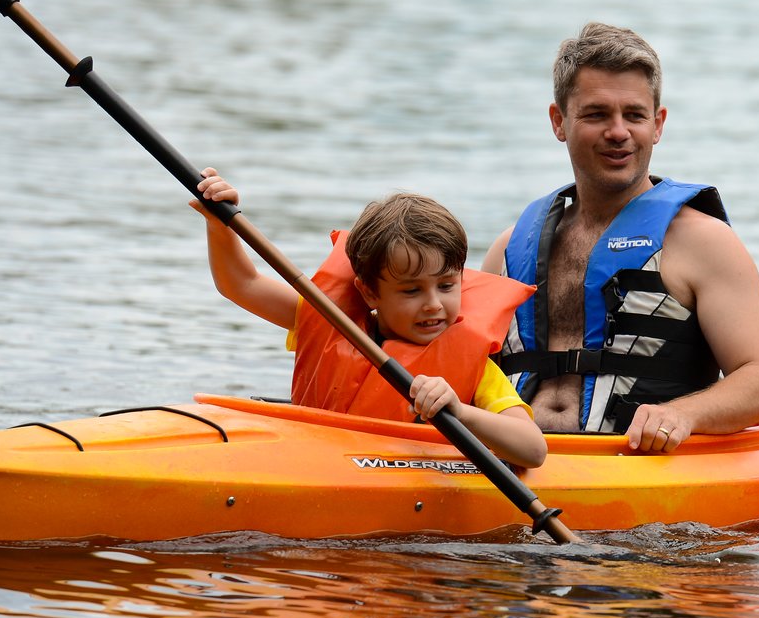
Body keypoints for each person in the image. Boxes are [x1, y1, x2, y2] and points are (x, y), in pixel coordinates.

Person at [481, 22, 759, 452]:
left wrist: (682, 414)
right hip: (515, 461)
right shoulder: (509, 251)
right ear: (558, 121)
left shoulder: (705, 244)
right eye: (597, 114)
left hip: (633, 467)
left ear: (657, 124)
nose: (618, 131)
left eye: (634, 115)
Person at [191, 169, 548, 469]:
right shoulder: (329, 320)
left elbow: (533, 450)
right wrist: (219, 224)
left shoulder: (474, 366)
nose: (433, 304)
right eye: (411, 291)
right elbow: (242, 283)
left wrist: (460, 411)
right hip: (311, 463)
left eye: (446, 285)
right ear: (370, 292)